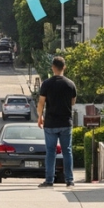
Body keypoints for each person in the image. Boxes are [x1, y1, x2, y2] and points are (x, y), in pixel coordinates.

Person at [37, 55, 77, 188]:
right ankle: (69, 180)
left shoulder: (47, 84)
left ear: (53, 67)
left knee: (50, 152)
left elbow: (41, 103)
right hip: (66, 122)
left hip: (51, 123)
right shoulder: (70, 84)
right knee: (67, 151)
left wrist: (40, 116)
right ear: (64, 67)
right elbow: (72, 102)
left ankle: (49, 180)